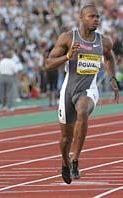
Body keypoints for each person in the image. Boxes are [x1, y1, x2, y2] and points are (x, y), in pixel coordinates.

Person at [45, 4, 119, 184]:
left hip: (88, 89)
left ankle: (76, 159)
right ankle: (65, 160)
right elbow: (48, 63)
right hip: (68, 91)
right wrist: (68, 56)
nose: (96, 20)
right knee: (65, 138)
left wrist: (112, 77)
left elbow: (109, 57)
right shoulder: (68, 38)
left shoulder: (104, 42)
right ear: (81, 18)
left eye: (98, 17)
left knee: (83, 110)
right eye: (91, 16)